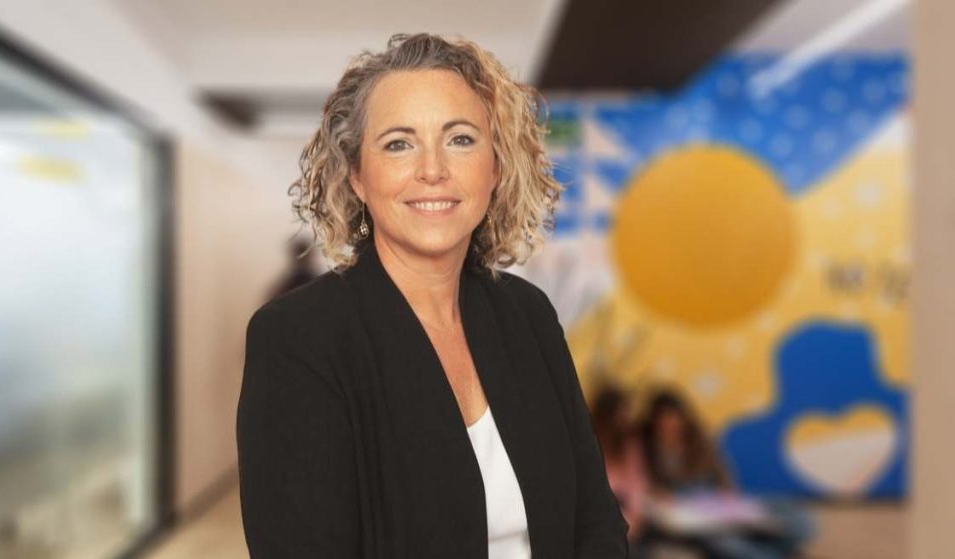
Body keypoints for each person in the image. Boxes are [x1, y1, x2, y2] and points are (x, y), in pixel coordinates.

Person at [235, 33, 629, 558]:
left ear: (495, 166)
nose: (433, 169)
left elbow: (595, 517)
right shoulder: (297, 338)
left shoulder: (529, 315)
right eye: (399, 143)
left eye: (460, 139)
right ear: (357, 176)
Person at [638, 389, 813, 559]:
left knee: (790, 520)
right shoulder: (644, 446)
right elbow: (644, 485)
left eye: (674, 417)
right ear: (654, 420)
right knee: (725, 543)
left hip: (713, 498)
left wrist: (727, 491)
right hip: (683, 507)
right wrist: (659, 494)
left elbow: (720, 470)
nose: (669, 424)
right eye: (663, 419)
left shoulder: (697, 438)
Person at [591, 384, 649, 543]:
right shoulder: (591, 447)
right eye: (622, 413)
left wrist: (635, 516)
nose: (628, 418)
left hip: (631, 524)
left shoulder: (631, 445)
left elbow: (638, 484)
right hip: (606, 525)